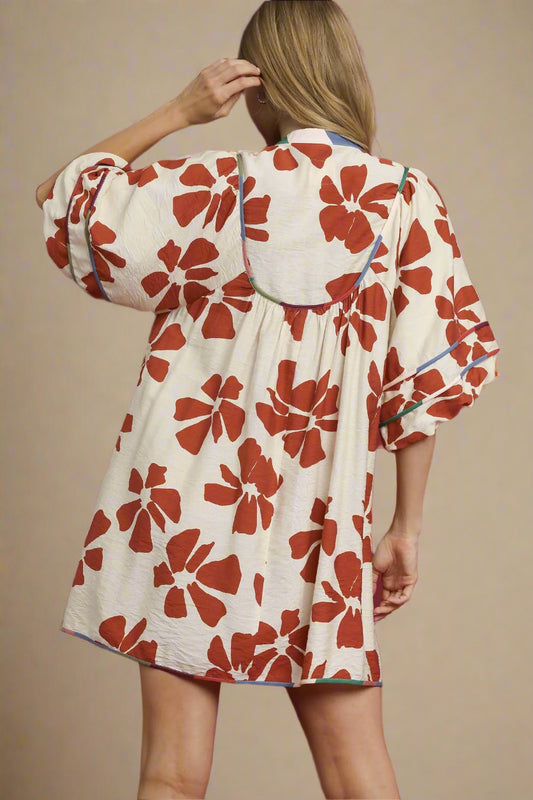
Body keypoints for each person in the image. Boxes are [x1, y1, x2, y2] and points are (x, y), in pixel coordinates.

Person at [36, 2, 500, 798]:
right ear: (344, 76)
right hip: (316, 522)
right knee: (359, 776)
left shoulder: (213, 187)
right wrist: (404, 528)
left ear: (258, 88)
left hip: (187, 511)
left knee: (171, 778)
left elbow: (64, 199)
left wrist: (179, 112)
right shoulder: (403, 203)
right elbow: (421, 381)